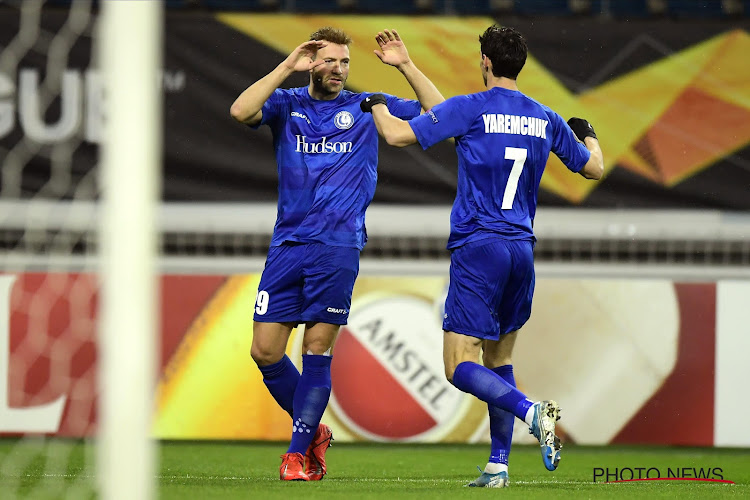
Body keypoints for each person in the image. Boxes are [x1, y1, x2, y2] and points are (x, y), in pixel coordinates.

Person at [360, 25, 603, 488]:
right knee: (498, 361)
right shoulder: (545, 116)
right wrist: (588, 133)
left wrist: (373, 102)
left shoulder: (473, 109)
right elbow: (594, 168)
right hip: (521, 252)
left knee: (458, 367)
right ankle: (498, 465)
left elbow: (396, 136)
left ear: (485, 62)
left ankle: (532, 410)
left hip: (479, 248)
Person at [230, 27, 444, 481]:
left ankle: (295, 454)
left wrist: (405, 65)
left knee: (315, 349)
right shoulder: (288, 105)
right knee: (265, 352)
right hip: (287, 243)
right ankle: (314, 434)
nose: (340, 70)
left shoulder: (366, 105)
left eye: (345, 62)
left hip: (337, 247)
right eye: (330, 61)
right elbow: (240, 110)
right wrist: (288, 65)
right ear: (311, 62)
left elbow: (439, 113)